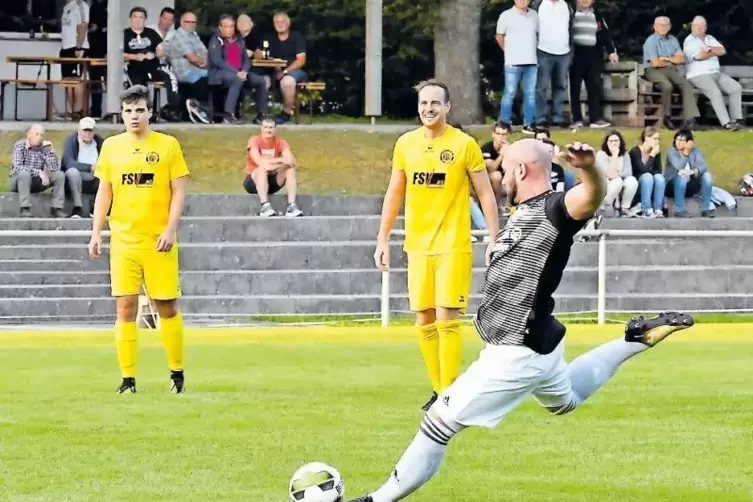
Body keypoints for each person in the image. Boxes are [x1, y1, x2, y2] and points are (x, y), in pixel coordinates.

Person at [348, 138, 695, 502]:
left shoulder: (554, 209)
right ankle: (634, 338)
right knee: (568, 399)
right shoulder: (523, 213)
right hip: (541, 342)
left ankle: (378, 499)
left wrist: (589, 167)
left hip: (516, 351)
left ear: (519, 171)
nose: (499, 178)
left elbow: (592, 196)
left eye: (503, 171)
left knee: (438, 423)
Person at [374, 79, 500, 412]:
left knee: (447, 316)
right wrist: (382, 238)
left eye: (435, 103)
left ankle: (450, 392)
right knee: (424, 319)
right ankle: (438, 389)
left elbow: (485, 193)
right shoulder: (405, 145)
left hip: (452, 244)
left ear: (447, 107)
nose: (428, 109)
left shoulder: (464, 145)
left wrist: (493, 235)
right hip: (417, 245)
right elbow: (395, 193)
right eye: (423, 103)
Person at [88, 85, 189, 395]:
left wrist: (170, 230)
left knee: (166, 307)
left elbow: (179, 191)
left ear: (149, 112)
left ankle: (176, 373)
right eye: (129, 111)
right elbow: (105, 191)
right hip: (124, 241)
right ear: (122, 114)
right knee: (125, 308)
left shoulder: (168, 145)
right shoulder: (111, 148)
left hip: (158, 240)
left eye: (140, 110)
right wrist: (96, 231)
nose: (134, 116)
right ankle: (128, 379)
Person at [243, 118, 303, 217]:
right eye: (266, 127)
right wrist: (281, 160)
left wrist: (274, 164)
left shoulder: (281, 142)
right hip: (253, 180)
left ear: (275, 129)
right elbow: (260, 162)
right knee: (262, 169)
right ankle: (265, 206)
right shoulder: (254, 141)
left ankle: (291, 206)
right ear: (261, 129)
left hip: (272, 180)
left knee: (290, 169)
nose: (268, 130)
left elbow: (291, 161)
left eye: (271, 127)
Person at [628, 126, 665, 218]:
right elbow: (642, 170)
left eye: (658, 139)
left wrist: (654, 154)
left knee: (659, 177)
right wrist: (652, 155)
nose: (658, 141)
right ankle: (647, 209)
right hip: (637, 183)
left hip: (650, 182)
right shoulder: (635, 151)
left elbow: (658, 170)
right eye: (655, 138)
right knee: (647, 176)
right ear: (646, 138)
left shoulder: (656, 151)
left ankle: (658, 209)